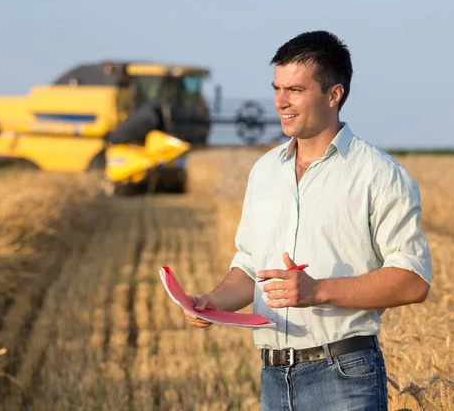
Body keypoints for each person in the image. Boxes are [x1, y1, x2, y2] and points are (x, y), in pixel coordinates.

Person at [183, 30, 432, 411]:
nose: (280, 102)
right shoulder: (264, 171)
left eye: (295, 90)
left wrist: (318, 291)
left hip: (345, 376)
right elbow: (250, 267)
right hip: (272, 376)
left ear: (334, 95)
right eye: (277, 88)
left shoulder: (379, 174)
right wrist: (212, 302)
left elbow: (413, 281)